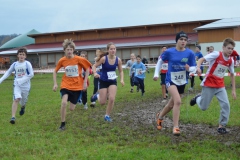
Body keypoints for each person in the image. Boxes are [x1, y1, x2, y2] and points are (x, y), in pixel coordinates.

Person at [190, 38, 236, 134]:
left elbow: (232, 74)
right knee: (203, 107)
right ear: (223, 47)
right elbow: (202, 59)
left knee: (226, 105)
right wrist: (198, 67)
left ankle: (221, 126)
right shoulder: (216, 54)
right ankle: (198, 98)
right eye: (228, 48)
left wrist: (233, 90)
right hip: (209, 84)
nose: (230, 50)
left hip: (220, 86)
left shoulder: (231, 60)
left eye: (232, 49)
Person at [155, 31, 196, 136]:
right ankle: (176, 127)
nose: (183, 42)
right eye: (181, 39)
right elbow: (160, 61)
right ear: (177, 40)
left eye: (185, 40)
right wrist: (156, 74)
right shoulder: (169, 52)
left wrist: (190, 68)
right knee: (178, 101)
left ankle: (160, 117)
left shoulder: (190, 53)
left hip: (182, 81)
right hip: (170, 80)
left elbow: (194, 68)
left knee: (171, 104)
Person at [53, 39, 91, 130]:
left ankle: (75, 99)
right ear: (64, 50)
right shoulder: (62, 60)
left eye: (71, 49)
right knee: (64, 103)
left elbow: (87, 69)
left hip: (77, 86)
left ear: (73, 50)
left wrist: (85, 81)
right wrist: (55, 83)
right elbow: (55, 71)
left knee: (71, 108)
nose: (69, 51)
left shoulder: (79, 59)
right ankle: (62, 124)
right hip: (65, 84)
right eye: (67, 49)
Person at [91, 42, 124, 122]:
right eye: (111, 49)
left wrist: (122, 79)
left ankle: (107, 115)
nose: (113, 50)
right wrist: (95, 73)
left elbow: (121, 71)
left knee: (112, 98)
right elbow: (94, 66)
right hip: (103, 81)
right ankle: (97, 96)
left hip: (112, 81)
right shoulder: (104, 59)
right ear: (108, 50)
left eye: (114, 49)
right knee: (102, 102)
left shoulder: (118, 60)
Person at [0, 47, 34, 124]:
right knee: (16, 99)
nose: (21, 56)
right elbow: (8, 72)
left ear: (25, 56)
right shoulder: (15, 64)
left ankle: (23, 107)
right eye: (20, 54)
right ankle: (13, 117)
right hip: (17, 85)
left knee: (23, 101)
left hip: (26, 86)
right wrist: (1, 80)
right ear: (17, 55)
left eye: (23, 54)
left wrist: (22, 80)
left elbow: (31, 74)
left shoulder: (27, 63)